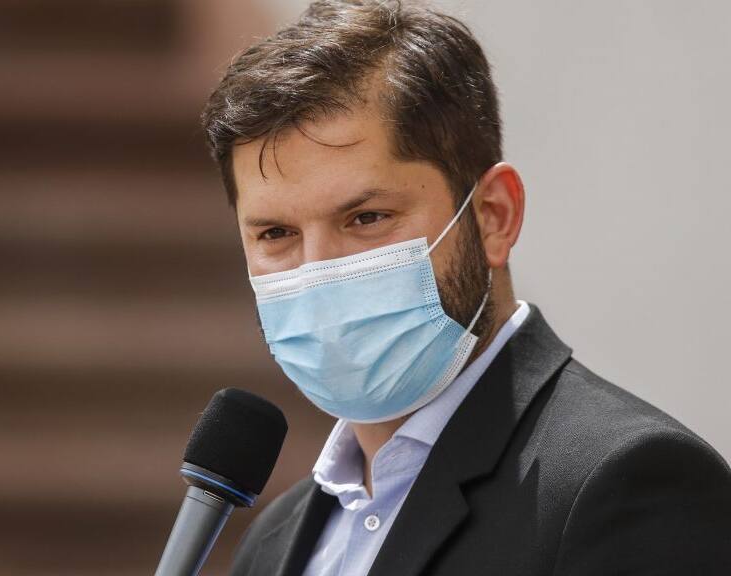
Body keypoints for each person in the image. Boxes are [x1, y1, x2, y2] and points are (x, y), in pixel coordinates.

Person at [201, 1, 731, 574]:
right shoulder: (272, 543)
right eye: (276, 232)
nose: (320, 269)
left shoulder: (628, 484)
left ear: (494, 217)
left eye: (368, 218)